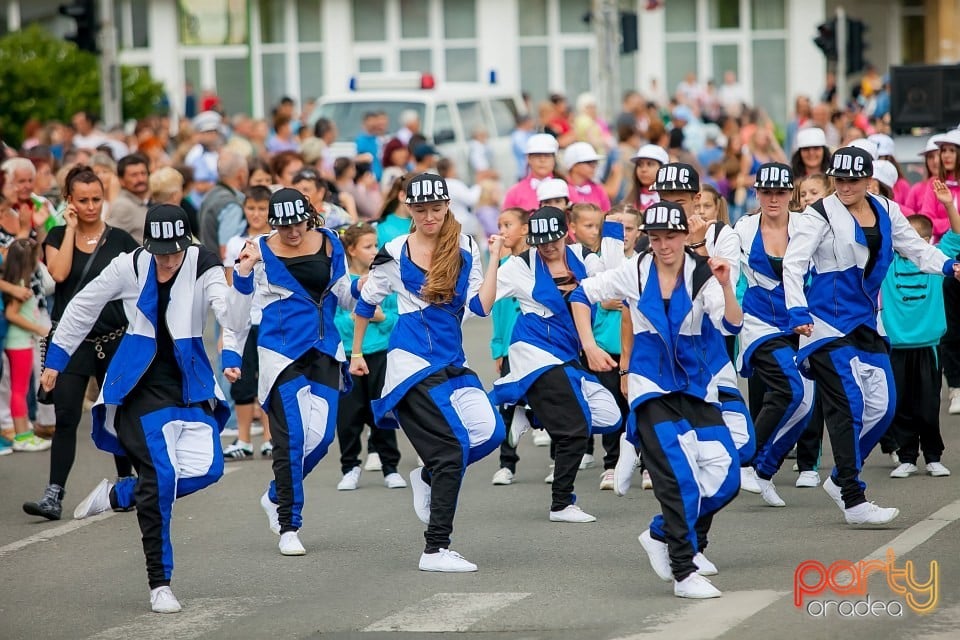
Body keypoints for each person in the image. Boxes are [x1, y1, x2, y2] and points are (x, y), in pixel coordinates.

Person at [40, 203, 258, 613]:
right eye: (160, 251)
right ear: (148, 244)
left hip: (188, 383)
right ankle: (160, 582)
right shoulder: (131, 265)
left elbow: (231, 315)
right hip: (138, 386)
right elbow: (83, 306)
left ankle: (123, 493)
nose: (168, 260)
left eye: (175, 251)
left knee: (208, 468)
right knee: (160, 477)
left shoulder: (204, 263)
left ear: (187, 243)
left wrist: (242, 277)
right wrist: (56, 360)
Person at [571, 200, 743, 599]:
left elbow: (731, 323)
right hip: (651, 389)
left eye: (671, 236)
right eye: (656, 237)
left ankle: (658, 534)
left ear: (685, 235)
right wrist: (591, 346)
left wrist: (725, 284)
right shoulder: (635, 270)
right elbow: (580, 295)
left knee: (726, 477)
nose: (663, 245)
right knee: (677, 478)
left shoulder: (703, 274)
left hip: (697, 388)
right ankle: (684, 571)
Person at [782, 146, 960, 526]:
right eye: (839, 180)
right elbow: (794, 265)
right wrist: (796, 310)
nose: (845, 187)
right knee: (850, 405)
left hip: (865, 319)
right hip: (824, 324)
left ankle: (840, 475)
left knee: (883, 407)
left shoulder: (885, 209)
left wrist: (948, 266)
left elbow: (913, 248)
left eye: (853, 180)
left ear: (868, 180)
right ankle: (853, 496)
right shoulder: (818, 215)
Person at [350, 173, 505, 572]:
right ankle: (435, 549)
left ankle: (428, 475)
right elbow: (366, 303)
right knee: (453, 450)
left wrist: (496, 260)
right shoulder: (393, 250)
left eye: (436, 208)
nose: (429, 216)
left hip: (452, 360)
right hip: (411, 363)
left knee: (489, 431)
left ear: (447, 206)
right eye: (421, 209)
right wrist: (355, 353)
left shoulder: (466, 245)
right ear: (409, 209)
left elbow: (481, 307)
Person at [225, 188, 358, 556]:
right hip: (280, 354)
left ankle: (274, 495)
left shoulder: (331, 242)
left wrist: (370, 287)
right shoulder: (258, 250)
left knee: (323, 438)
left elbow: (345, 292)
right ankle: (289, 524)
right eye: (284, 227)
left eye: (298, 223)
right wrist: (244, 272)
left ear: (309, 217)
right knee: (292, 438)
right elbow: (236, 315)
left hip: (326, 349)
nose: (292, 232)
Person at [22, 166, 140, 520]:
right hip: (73, 343)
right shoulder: (58, 235)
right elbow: (58, 275)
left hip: (114, 339)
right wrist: (71, 228)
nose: (91, 207)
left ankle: (125, 483)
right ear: (69, 202)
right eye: (83, 200)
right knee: (67, 416)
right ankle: (53, 495)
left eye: (97, 199)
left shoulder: (120, 240)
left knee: (118, 413)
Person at [492, 206, 622, 521]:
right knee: (575, 429)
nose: (548, 246)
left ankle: (532, 412)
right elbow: (480, 301)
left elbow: (618, 275)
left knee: (611, 415)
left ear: (566, 232)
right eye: (541, 241)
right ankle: (561, 504)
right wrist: (493, 257)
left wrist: (615, 233)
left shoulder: (582, 257)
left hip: (567, 351)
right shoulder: (517, 266)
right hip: (533, 350)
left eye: (554, 238)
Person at [734, 163, 815, 507]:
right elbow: (713, 260)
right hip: (760, 323)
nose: (772, 198)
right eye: (766, 191)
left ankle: (765, 471)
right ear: (757, 192)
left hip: (804, 324)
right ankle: (744, 461)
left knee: (805, 405)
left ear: (790, 194)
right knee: (789, 388)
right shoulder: (743, 228)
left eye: (780, 191)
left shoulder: (808, 226)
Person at [882, 211, 956, 480]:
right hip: (897, 347)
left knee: (927, 406)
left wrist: (949, 205)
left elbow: (956, 236)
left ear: (927, 241)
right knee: (901, 404)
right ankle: (907, 457)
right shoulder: (887, 263)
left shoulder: (934, 260)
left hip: (928, 346)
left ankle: (933, 456)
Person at [334, 223, 404, 490]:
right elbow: (335, 320)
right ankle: (350, 466)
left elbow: (398, 316)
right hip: (349, 354)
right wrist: (357, 319)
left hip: (379, 353)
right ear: (351, 250)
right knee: (349, 414)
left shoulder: (383, 278)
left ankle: (390, 467)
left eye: (375, 245)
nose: (374, 251)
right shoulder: (343, 283)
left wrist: (382, 317)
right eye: (367, 246)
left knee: (383, 410)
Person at [220, 186, 274, 461]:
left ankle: (269, 437)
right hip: (243, 321)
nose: (256, 214)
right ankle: (242, 438)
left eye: (262, 208)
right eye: (251, 208)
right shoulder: (234, 243)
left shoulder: (274, 240)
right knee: (241, 380)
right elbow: (230, 284)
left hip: (269, 319)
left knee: (267, 377)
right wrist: (225, 330)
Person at [490, 207, 530, 486]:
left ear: (525, 229)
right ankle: (507, 464)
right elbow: (498, 312)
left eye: (508, 224)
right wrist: (497, 347)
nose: (502, 230)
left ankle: (557, 459)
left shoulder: (537, 263)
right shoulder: (501, 268)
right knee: (507, 404)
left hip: (536, 345)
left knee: (547, 399)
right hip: (509, 347)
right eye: (500, 224)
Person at [3, 239, 51, 453]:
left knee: (19, 389)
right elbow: (11, 314)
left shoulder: (15, 281)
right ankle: (22, 435)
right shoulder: (20, 286)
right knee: (19, 390)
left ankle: (24, 432)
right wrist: (37, 328)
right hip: (19, 343)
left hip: (21, 342)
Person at [502, 134, 560, 212]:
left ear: (554, 159)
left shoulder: (568, 189)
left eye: (547, 155)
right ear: (528, 158)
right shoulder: (514, 193)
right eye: (537, 155)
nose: (542, 160)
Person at [107, 154, 151, 244]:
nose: (141, 179)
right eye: (134, 175)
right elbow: (110, 240)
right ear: (121, 180)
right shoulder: (122, 206)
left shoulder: (140, 202)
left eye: (143, 173)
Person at [564, 142, 610, 210]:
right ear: (573, 165)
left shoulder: (598, 189)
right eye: (588, 162)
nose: (594, 166)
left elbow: (606, 213)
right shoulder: (562, 187)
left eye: (595, 162)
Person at [624, 144, 669, 212]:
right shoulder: (629, 200)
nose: (643, 169)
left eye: (650, 164)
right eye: (640, 164)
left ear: (663, 168)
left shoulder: (671, 199)